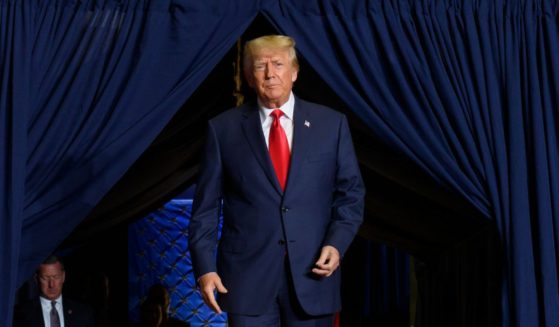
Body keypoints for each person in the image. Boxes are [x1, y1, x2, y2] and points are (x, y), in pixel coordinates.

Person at [188, 35, 365, 326]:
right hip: (245, 281)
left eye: (279, 64)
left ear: (294, 72)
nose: (270, 73)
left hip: (314, 278)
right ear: (248, 76)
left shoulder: (331, 125)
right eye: (260, 66)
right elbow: (205, 208)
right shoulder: (223, 130)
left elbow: (352, 194)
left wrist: (336, 244)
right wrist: (205, 269)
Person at [13, 255, 96, 327]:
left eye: (56, 277)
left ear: (63, 277)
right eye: (45, 278)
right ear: (36, 279)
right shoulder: (20, 314)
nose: (51, 285)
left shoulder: (83, 313)